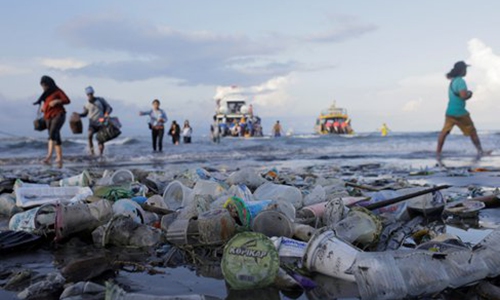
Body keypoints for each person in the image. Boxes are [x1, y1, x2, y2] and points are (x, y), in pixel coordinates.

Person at [437, 61, 489, 160]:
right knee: (473, 132)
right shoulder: (461, 81)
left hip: (449, 112)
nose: (466, 71)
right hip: (460, 112)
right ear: (462, 70)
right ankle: (480, 151)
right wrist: (470, 94)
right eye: (465, 69)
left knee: (444, 132)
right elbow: (463, 96)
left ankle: (438, 152)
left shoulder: (453, 81)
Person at [38, 76, 71, 167]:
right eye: (42, 86)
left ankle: (48, 157)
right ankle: (59, 158)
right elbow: (46, 103)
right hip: (48, 116)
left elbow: (67, 100)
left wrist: (57, 101)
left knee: (52, 134)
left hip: (59, 115)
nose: (44, 87)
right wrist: (43, 108)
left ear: (49, 84)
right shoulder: (46, 93)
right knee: (56, 136)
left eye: (45, 85)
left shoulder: (58, 91)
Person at [79, 86, 112, 156]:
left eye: (91, 93)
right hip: (92, 123)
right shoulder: (86, 105)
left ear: (93, 93)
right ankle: (92, 153)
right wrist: (78, 115)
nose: (90, 95)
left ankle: (101, 155)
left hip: (102, 122)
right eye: (88, 94)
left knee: (101, 140)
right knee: (89, 135)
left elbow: (109, 107)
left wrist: (106, 113)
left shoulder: (100, 100)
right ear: (86, 95)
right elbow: (85, 114)